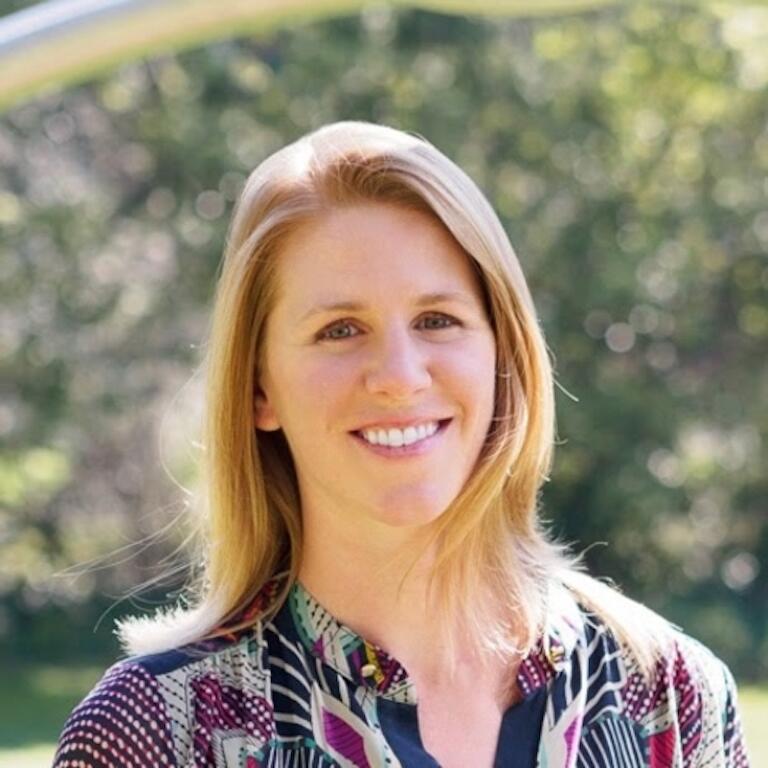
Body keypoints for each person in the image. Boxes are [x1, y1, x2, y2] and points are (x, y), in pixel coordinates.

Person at [53, 121, 750, 768]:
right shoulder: (157, 732)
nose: (398, 377)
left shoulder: (667, 698)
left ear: (503, 354)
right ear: (259, 388)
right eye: (339, 330)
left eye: (437, 319)